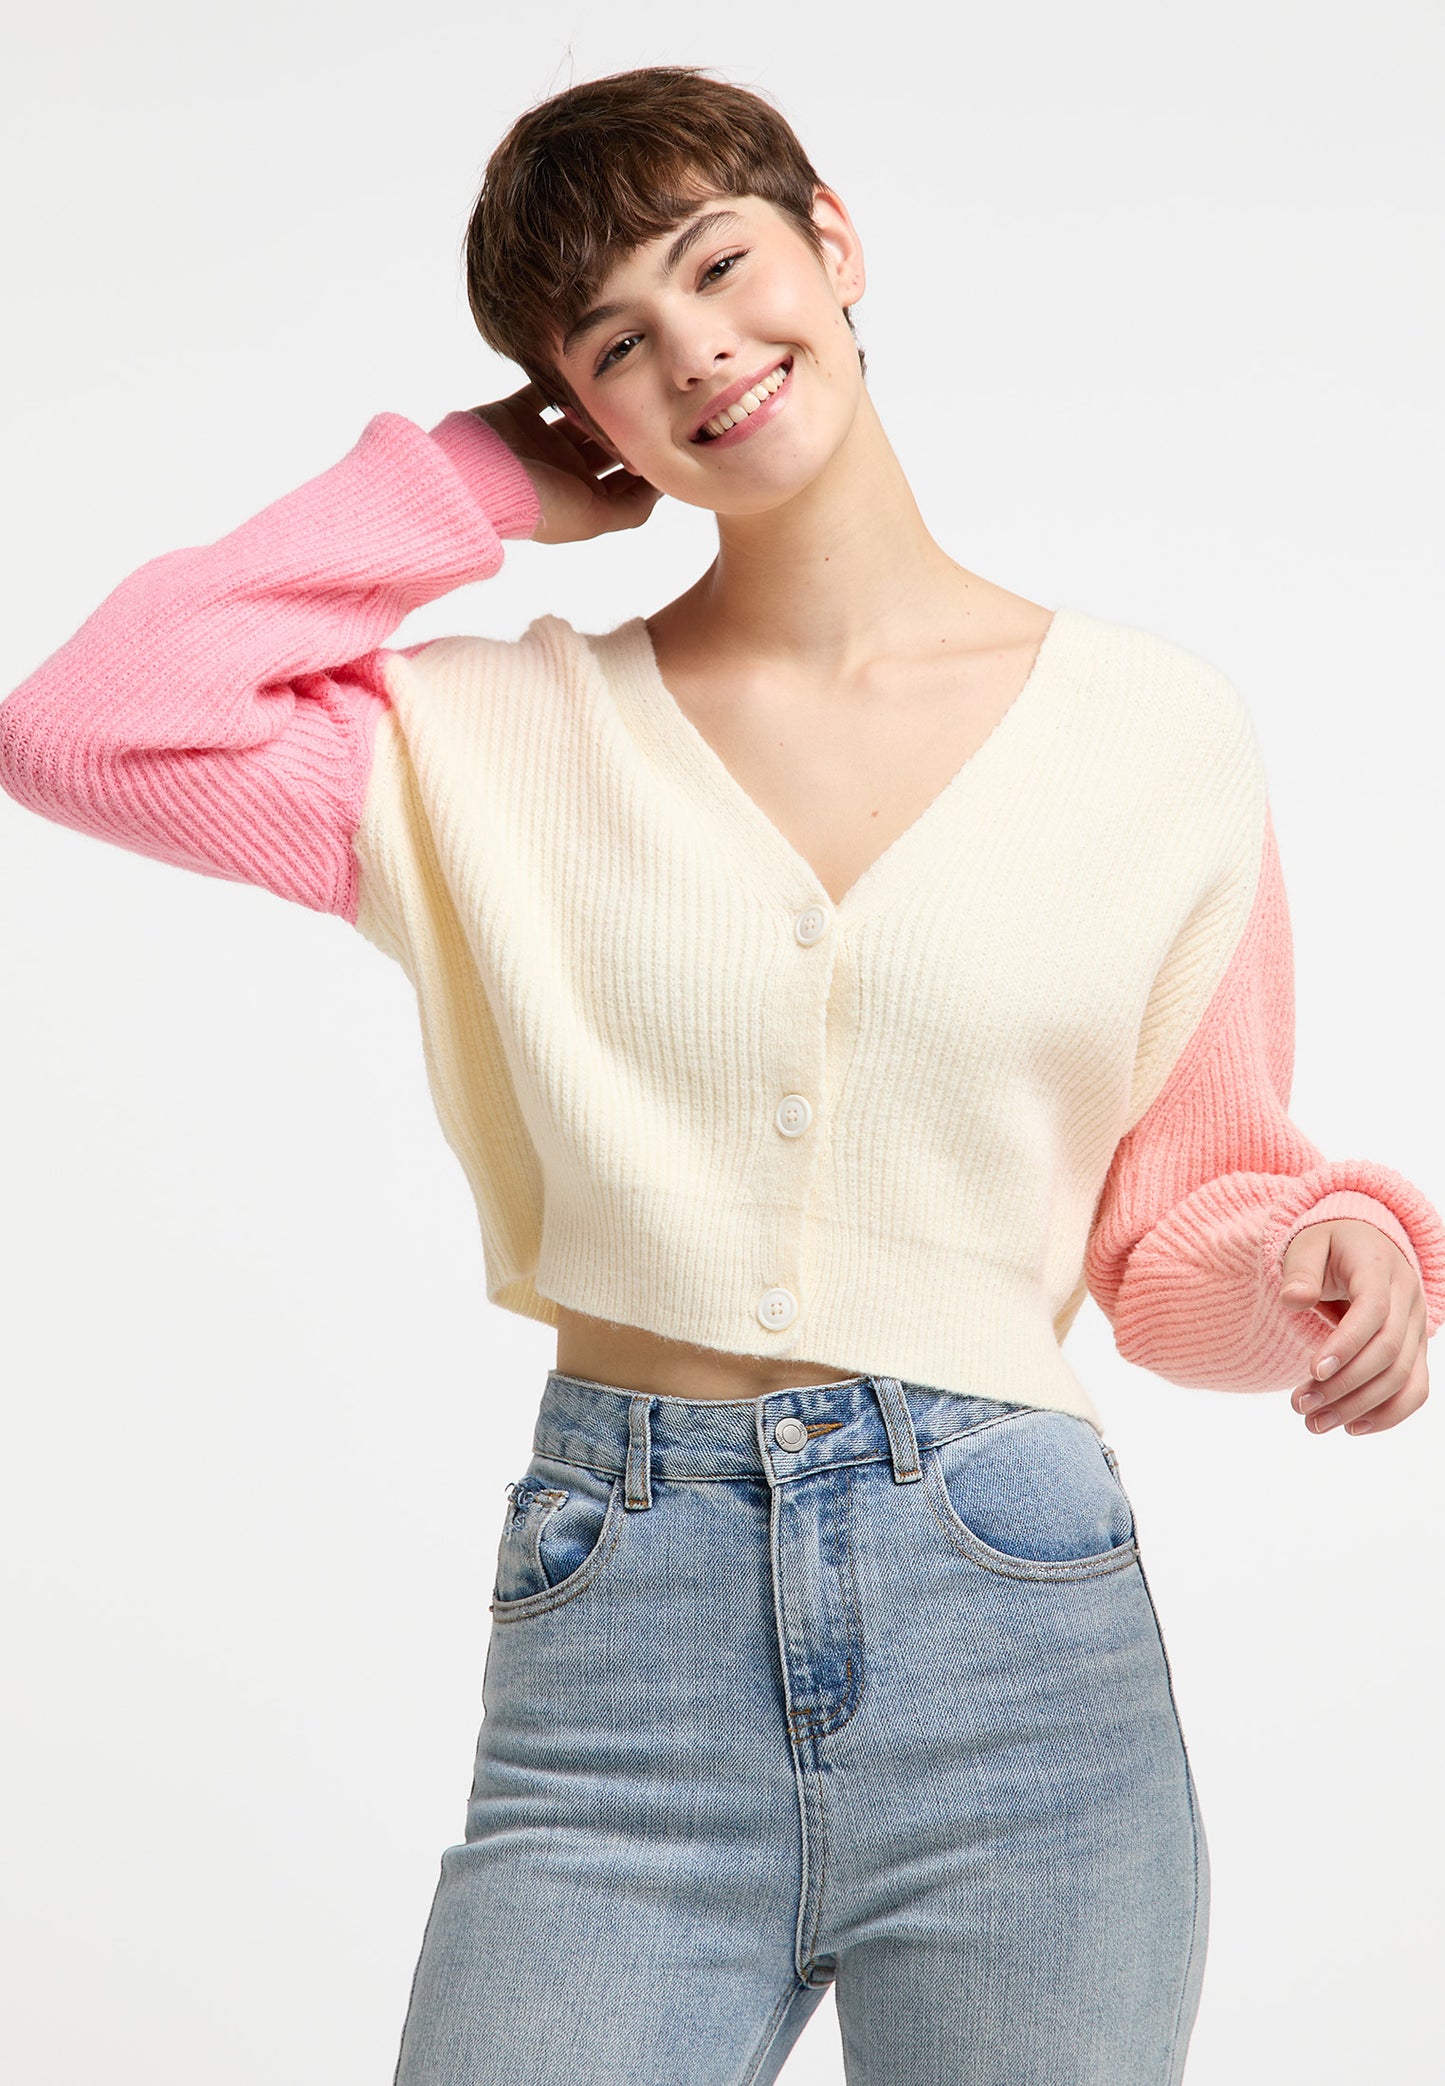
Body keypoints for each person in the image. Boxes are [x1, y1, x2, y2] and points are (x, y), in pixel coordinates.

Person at [2, 60, 1441, 2086]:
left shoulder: (1155, 735)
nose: (696, 350)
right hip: (624, 1656)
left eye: (718, 262)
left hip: (1022, 1646)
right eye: (613, 342)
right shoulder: (486, 745)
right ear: (577, 411)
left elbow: (1173, 1232)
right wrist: (466, 489)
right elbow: (88, 724)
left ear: (830, 242)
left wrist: (1314, 1254)